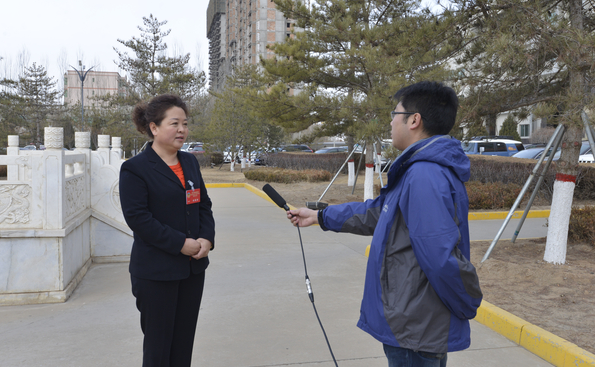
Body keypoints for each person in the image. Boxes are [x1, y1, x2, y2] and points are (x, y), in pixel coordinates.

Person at [287, 81, 482, 367]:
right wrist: (321, 216)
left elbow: (440, 258)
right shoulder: (418, 170)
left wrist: (468, 300)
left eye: (395, 113)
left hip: (414, 326)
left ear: (414, 120)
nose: (391, 121)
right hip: (413, 322)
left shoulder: (424, 176)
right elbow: (379, 213)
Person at [119, 94, 215, 367]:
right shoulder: (135, 169)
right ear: (154, 128)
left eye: (185, 123)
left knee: (183, 344)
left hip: (192, 269)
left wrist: (206, 238)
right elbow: (138, 219)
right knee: (159, 348)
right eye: (175, 123)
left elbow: (203, 205)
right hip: (156, 272)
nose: (182, 130)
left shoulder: (190, 162)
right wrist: (180, 243)